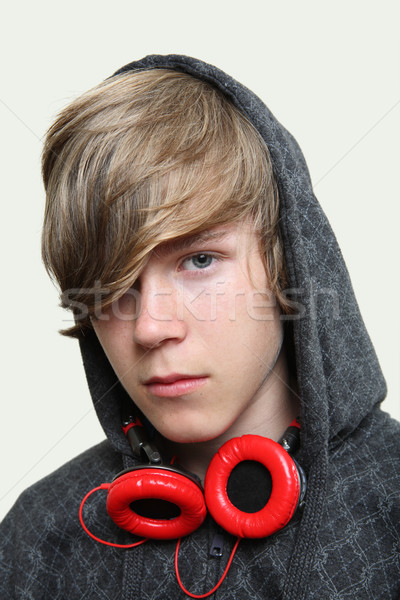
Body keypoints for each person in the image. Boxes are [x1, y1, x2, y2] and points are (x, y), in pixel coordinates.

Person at [1, 54, 399, 600]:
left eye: (200, 260)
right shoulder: (35, 541)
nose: (150, 327)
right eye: (113, 281)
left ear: (287, 263)